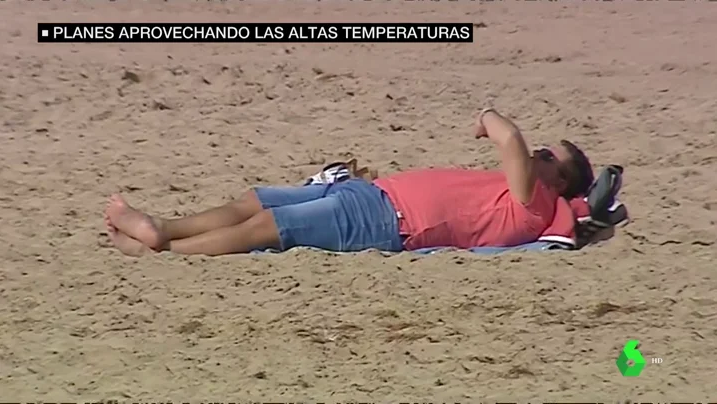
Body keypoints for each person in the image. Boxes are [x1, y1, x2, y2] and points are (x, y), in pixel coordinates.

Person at [104, 108, 594, 257]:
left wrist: (486, 117)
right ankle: (163, 228)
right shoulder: (521, 189)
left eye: (552, 158)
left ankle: (160, 250)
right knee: (255, 202)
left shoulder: (534, 205)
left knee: (272, 225)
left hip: (387, 220)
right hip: (375, 195)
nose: (540, 154)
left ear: (560, 183)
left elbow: (509, 138)